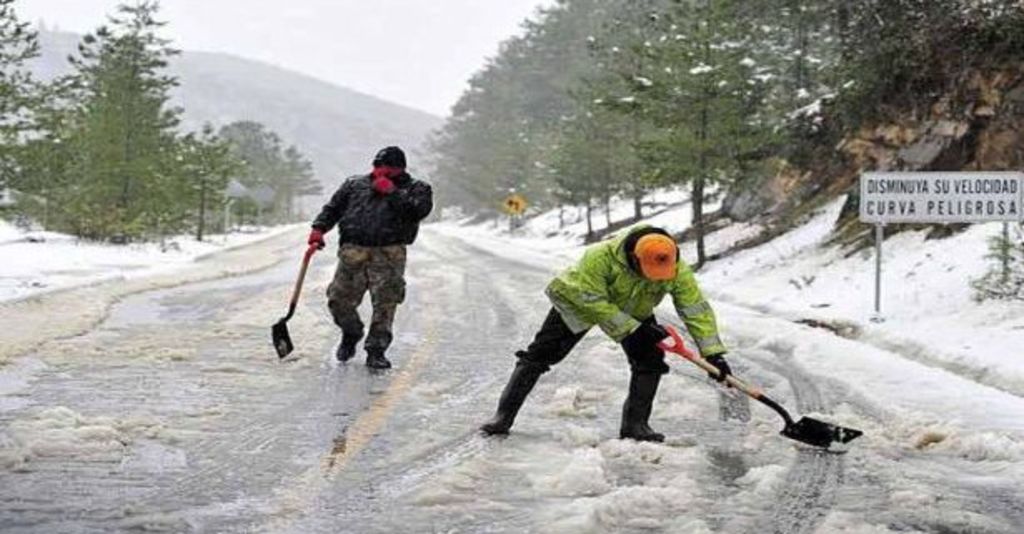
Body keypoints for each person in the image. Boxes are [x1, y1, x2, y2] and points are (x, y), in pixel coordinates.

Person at [480, 225, 731, 441]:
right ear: (634, 258)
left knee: (650, 361)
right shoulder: (599, 257)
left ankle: (635, 426)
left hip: (633, 308)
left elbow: (695, 308)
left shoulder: (676, 267)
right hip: (580, 302)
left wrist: (713, 353)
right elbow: (593, 302)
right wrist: (633, 329)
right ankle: (503, 417)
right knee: (541, 354)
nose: (653, 279)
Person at [308, 146, 433, 369]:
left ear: (400, 169)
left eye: (387, 169)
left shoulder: (417, 188)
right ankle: (351, 332)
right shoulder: (354, 184)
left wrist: (392, 193)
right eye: (377, 167)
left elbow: (418, 212)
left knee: (385, 303)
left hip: (389, 253)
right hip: (353, 252)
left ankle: (376, 350)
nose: (380, 172)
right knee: (338, 299)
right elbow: (333, 208)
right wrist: (319, 229)